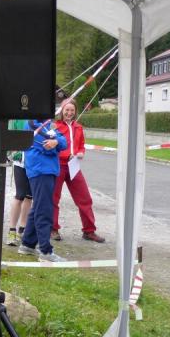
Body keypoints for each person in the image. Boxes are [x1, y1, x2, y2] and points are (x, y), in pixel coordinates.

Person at [52, 99, 105, 242]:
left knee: (85, 198)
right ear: (62, 110)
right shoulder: (55, 126)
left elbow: (81, 145)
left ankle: (89, 231)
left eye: (72, 110)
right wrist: (64, 155)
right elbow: (52, 146)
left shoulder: (79, 127)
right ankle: (53, 229)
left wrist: (81, 152)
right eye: (67, 110)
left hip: (73, 166)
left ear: (75, 111)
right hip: (58, 165)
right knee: (54, 198)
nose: (69, 113)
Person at [18, 120, 67, 262]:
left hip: (46, 169)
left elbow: (64, 142)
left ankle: (27, 244)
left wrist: (56, 142)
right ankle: (46, 251)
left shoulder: (46, 123)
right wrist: (56, 143)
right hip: (40, 170)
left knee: (38, 207)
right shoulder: (32, 124)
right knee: (44, 209)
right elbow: (47, 147)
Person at [6, 119, 32, 246]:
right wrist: (10, 153)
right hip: (20, 162)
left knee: (29, 196)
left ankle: (22, 229)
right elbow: (10, 135)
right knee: (20, 195)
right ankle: (12, 231)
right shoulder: (17, 118)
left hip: (34, 162)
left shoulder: (39, 117)